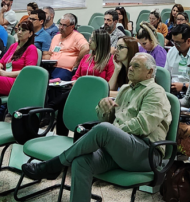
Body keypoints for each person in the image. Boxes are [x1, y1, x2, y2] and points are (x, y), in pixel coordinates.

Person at [20, 54, 171, 202]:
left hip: (146, 153)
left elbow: (143, 125)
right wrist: (103, 107)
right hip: (121, 149)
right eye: (130, 65)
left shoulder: (155, 91)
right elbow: (107, 120)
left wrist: (113, 132)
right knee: (81, 161)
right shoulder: (126, 89)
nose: (130, 68)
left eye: (136, 66)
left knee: (105, 129)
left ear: (150, 72)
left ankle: (55, 165)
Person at [49, 29, 115, 137]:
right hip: (79, 91)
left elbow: (107, 83)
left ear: (100, 42)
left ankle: (48, 108)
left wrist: (83, 85)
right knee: (64, 106)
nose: (89, 41)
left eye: (93, 39)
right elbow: (76, 75)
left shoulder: (109, 60)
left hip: (95, 93)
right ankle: (61, 136)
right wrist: (75, 82)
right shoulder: (86, 58)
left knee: (64, 100)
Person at [45, 13, 90, 81]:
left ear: (72, 27)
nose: (61, 27)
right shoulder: (56, 37)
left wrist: (76, 63)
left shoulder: (76, 36)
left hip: (65, 69)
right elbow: (51, 53)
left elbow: (86, 48)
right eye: (60, 24)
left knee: (53, 84)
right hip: (51, 67)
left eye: (64, 25)